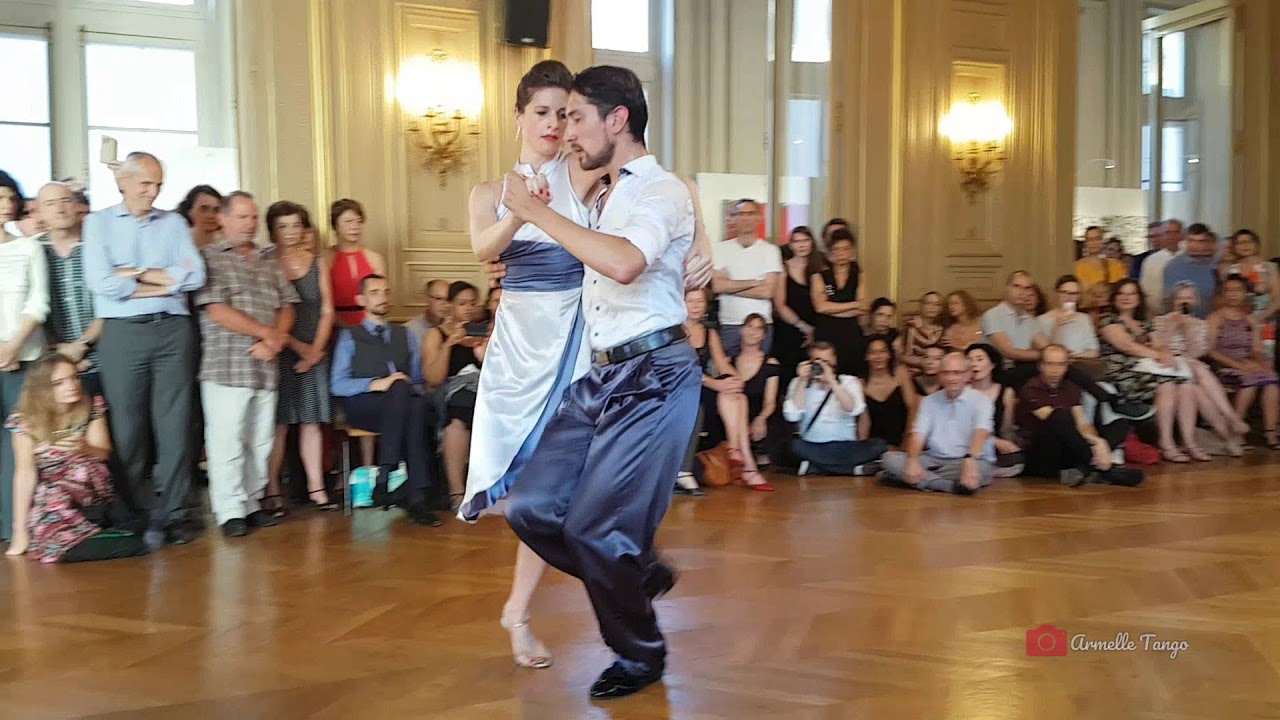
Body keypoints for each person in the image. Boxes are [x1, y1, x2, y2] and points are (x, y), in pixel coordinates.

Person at [498, 65, 703, 700]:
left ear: (618, 119)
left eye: (577, 117)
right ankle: (634, 569)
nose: (565, 130)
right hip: (602, 374)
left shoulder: (659, 192)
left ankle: (641, 656)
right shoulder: (608, 191)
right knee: (531, 507)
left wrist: (535, 212)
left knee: (594, 531)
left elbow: (621, 262)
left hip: (655, 375)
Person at [81, 152, 206, 550]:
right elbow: (102, 282)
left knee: (175, 427)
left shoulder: (173, 223)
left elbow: (194, 275)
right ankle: (133, 511)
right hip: (122, 334)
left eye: (158, 185)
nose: (153, 193)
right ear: (124, 183)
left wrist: (132, 273)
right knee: (128, 428)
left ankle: (175, 514)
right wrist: (163, 280)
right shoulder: (98, 223)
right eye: (145, 184)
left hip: (173, 331)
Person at [194, 192, 299, 538]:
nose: (249, 224)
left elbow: (288, 305)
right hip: (226, 365)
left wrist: (276, 338)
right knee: (227, 441)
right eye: (241, 217)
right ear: (222, 219)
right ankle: (229, 511)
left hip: (266, 366)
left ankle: (252, 503)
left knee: (261, 440)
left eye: (253, 217)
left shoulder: (269, 260)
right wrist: (265, 333)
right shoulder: (209, 257)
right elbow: (215, 309)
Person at [5, 355, 150, 562]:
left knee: (63, 487)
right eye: (59, 383)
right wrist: (19, 530)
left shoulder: (90, 404)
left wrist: (83, 447)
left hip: (89, 481)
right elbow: (24, 473)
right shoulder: (23, 419)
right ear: (42, 389)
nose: (71, 386)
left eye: (74, 378)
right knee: (47, 515)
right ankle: (87, 538)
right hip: (53, 491)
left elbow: (104, 452)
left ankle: (92, 537)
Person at [329, 274, 442, 527]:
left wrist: (400, 386)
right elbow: (337, 384)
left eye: (386, 291)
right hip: (366, 405)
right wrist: (375, 384)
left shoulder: (405, 334)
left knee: (409, 400)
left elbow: (417, 379)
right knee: (405, 398)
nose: (383, 297)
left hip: (402, 405)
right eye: (375, 292)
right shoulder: (350, 336)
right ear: (361, 299)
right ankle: (415, 496)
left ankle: (389, 476)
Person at [264, 201, 336, 514]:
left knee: (310, 422)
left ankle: (317, 489)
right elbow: (269, 313)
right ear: (272, 230)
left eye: (296, 225)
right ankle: (272, 490)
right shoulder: (264, 262)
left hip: (314, 350)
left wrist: (316, 351)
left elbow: (327, 309)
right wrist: (297, 347)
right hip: (278, 348)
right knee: (278, 424)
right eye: (283, 226)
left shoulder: (317, 262)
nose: (291, 232)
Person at [1016, 345, 1143, 487]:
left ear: (1067, 366)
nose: (1055, 370)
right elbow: (1054, 420)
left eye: (1060, 364)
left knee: (1121, 423)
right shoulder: (1030, 389)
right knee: (1060, 416)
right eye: (1050, 364)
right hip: (1042, 452)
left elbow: (1081, 422)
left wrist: (1098, 441)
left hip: (1071, 448)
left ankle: (1084, 468)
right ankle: (1105, 470)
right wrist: (1097, 444)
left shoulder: (1070, 387)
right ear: (1040, 366)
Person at [878, 351, 994, 494]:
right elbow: (918, 435)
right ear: (940, 375)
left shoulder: (981, 401)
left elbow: (981, 432)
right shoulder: (929, 401)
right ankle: (946, 485)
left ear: (968, 375)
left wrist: (969, 460)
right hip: (932, 459)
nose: (951, 378)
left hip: (968, 460)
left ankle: (908, 479)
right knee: (889, 459)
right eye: (946, 373)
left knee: (981, 471)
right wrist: (913, 460)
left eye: (957, 373)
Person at [783, 341, 886, 475]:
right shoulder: (798, 382)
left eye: (826, 362)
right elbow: (792, 416)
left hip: (846, 446)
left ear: (835, 361)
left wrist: (832, 382)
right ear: (809, 362)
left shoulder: (849, 381)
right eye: (817, 361)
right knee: (792, 446)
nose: (822, 366)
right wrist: (803, 381)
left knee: (879, 445)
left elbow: (854, 409)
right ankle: (853, 469)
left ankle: (816, 467)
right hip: (812, 445)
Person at [1207, 273, 1280, 448]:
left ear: (1245, 293)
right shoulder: (1215, 318)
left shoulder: (1250, 320)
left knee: (1272, 380)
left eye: (1238, 290)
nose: (1233, 294)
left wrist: (1260, 364)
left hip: (1247, 364)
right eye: (1229, 290)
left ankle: (1270, 432)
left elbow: (1256, 350)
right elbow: (1210, 350)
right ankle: (1235, 430)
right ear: (1223, 294)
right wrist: (1238, 365)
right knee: (1250, 380)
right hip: (1224, 365)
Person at [810, 228, 866, 376]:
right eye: (837, 249)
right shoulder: (819, 275)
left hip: (851, 334)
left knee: (851, 377)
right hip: (826, 334)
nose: (841, 253)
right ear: (829, 252)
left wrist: (833, 309)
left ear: (852, 250)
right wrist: (853, 304)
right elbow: (821, 307)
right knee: (823, 376)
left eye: (846, 249)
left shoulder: (858, 273)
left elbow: (863, 307)